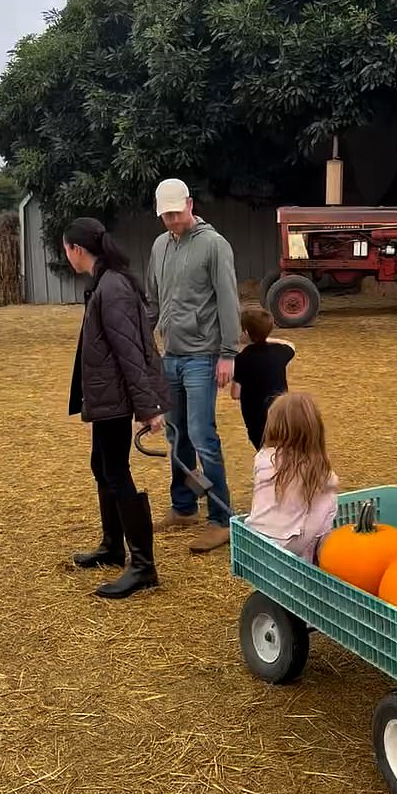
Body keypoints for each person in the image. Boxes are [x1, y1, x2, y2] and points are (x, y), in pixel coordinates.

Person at [65, 217, 170, 599]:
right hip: (106, 396)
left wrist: (148, 406)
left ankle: (143, 566)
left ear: (76, 249)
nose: (67, 256)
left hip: (117, 398)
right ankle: (113, 546)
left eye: (67, 249)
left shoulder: (113, 288)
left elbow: (132, 351)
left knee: (116, 470)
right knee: (102, 466)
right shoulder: (105, 283)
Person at [146, 178, 240, 553]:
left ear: (189, 204)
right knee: (176, 435)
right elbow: (153, 299)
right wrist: (143, 340)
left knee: (203, 435)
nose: (170, 220)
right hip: (171, 355)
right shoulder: (159, 247)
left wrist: (229, 354)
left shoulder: (214, 245)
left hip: (203, 356)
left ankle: (222, 518)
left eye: (175, 212)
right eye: (164, 214)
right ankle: (184, 507)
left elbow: (228, 300)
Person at [245, 391, 339, 561]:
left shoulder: (263, 458)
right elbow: (313, 526)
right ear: (315, 430)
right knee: (329, 498)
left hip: (254, 541)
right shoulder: (322, 474)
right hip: (291, 551)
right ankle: (315, 561)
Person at [231, 307, 296, 450]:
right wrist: (266, 338)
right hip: (281, 414)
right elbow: (290, 345)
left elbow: (235, 394)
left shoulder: (241, 359)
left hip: (256, 419)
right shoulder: (280, 352)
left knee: (265, 452)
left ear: (246, 333)